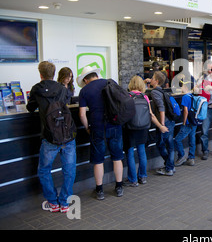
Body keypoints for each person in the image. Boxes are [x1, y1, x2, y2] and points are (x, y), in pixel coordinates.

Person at [27, 61, 75, 213]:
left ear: (40, 74)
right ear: (54, 74)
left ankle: (53, 203)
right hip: (67, 134)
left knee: (44, 170)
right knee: (69, 170)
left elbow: (30, 108)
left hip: (49, 137)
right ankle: (65, 203)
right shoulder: (62, 88)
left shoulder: (36, 89)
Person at [78, 66, 124, 199]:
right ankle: (119, 187)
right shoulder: (110, 83)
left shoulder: (85, 91)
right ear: (96, 75)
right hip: (114, 124)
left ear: (86, 79)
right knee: (117, 157)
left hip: (97, 127)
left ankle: (100, 191)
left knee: (98, 160)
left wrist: (87, 127)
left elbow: (82, 114)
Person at [124, 76, 168, 186]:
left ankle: (132, 180)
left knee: (130, 153)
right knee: (141, 151)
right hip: (143, 128)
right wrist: (160, 126)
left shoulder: (127, 96)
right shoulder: (145, 97)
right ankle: (142, 177)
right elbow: (151, 114)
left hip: (130, 128)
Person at [150, 71, 176, 175]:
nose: (150, 79)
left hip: (165, 121)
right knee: (169, 144)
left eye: (152, 78)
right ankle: (170, 166)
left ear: (156, 81)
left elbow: (161, 108)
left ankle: (169, 167)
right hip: (170, 120)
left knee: (160, 144)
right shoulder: (163, 91)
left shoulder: (154, 92)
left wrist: (162, 125)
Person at [174, 79, 198, 167]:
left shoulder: (185, 97)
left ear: (186, 87)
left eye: (182, 86)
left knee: (177, 139)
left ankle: (181, 156)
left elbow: (185, 111)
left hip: (188, 122)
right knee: (192, 139)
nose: (181, 88)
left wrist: (184, 122)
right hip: (194, 121)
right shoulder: (193, 96)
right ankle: (191, 158)